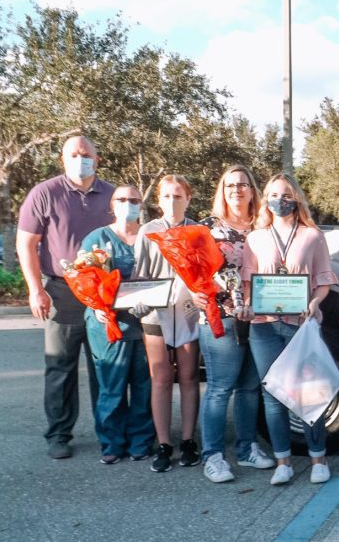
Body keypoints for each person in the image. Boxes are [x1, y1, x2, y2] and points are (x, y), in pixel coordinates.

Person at [17, 136, 115, 459]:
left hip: (104, 292)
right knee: (60, 365)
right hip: (61, 291)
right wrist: (36, 289)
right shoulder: (44, 194)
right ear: (63, 159)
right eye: (73, 154)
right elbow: (26, 243)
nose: (80, 159)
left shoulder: (112, 196)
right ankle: (59, 433)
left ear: (97, 160)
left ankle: (110, 432)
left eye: (86, 154)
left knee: (105, 365)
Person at [243, 174, 339, 485]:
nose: (278, 200)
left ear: (295, 198)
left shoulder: (312, 236)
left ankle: (318, 459)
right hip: (265, 326)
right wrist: (246, 303)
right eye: (272, 194)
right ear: (265, 200)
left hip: (302, 325)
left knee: (309, 393)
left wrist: (315, 302)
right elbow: (248, 283)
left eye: (285, 194)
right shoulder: (255, 238)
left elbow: (324, 280)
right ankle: (283, 461)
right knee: (273, 395)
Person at [195, 165, 271, 484]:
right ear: (221, 191)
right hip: (221, 316)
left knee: (250, 387)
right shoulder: (207, 229)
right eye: (230, 185)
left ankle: (246, 448)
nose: (236, 190)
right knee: (220, 388)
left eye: (243, 185)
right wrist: (194, 292)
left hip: (260, 316)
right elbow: (189, 269)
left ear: (253, 190)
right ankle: (212, 456)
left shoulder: (265, 226)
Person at [80, 185, 154, 464]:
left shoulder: (150, 236)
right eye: (122, 199)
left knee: (143, 385)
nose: (128, 204)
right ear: (112, 205)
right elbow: (82, 278)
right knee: (111, 385)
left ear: (141, 205)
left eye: (134, 200)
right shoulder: (96, 239)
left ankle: (141, 441)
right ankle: (112, 442)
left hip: (145, 322)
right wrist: (95, 305)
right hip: (108, 324)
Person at [133, 175, 201, 473]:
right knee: (160, 378)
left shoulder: (198, 230)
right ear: (158, 200)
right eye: (166, 196)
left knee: (188, 377)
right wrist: (137, 298)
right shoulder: (148, 231)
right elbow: (140, 273)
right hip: (155, 312)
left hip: (188, 312)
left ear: (188, 198)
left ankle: (188, 440)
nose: (172, 202)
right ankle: (164, 443)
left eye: (178, 196)